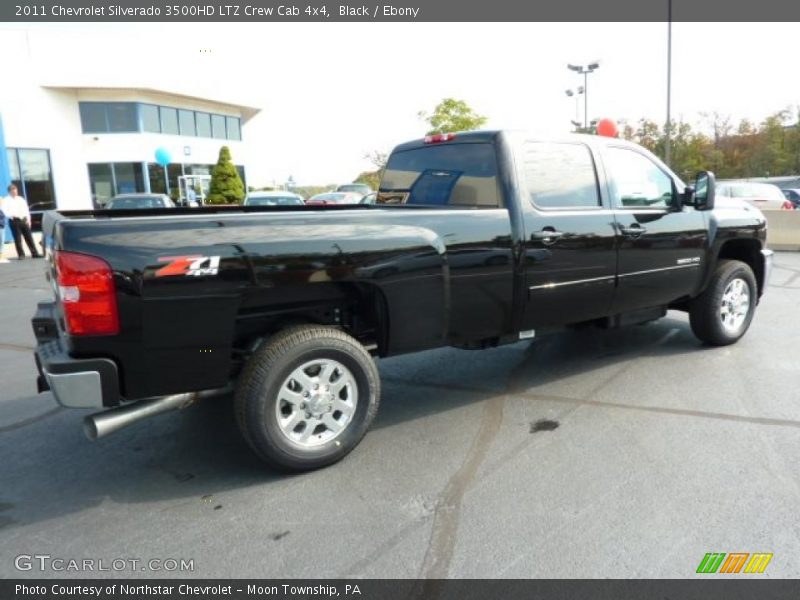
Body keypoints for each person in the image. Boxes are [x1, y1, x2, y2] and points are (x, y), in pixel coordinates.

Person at [0, 184, 41, 259]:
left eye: (16, 191)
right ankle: (21, 255)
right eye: (13, 191)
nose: (15, 193)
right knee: (18, 239)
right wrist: (11, 215)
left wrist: (29, 220)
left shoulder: (21, 199)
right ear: (9, 192)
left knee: (29, 237)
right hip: (14, 221)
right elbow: (4, 210)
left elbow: (26, 210)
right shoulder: (6, 200)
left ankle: (35, 253)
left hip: (24, 220)